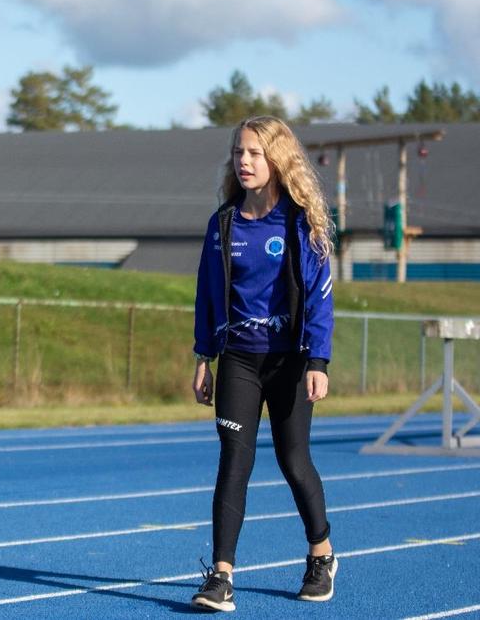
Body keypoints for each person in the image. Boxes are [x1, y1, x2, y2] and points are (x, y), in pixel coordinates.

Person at [190, 116, 337, 611]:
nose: (244, 162)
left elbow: (319, 296)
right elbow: (208, 295)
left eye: (254, 153)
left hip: (291, 362)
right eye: (238, 153)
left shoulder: (300, 223)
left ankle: (321, 554)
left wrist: (318, 359)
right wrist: (203, 355)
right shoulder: (223, 223)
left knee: (293, 460)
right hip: (238, 360)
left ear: (277, 159)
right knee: (235, 461)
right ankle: (221, 575)